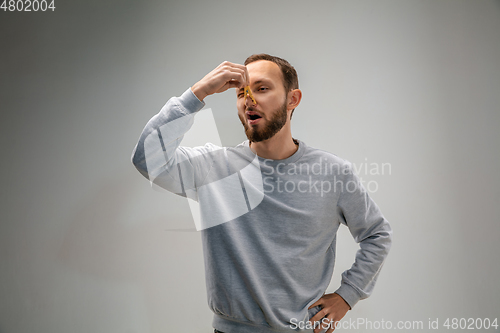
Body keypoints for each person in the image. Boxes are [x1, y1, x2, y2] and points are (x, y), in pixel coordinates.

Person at [131, 54, 392, 333]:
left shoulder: (334, 173)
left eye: (261, 88)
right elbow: (147, 158)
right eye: (241, 93)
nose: (248, 100)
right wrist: (199, 92)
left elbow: (377, 235)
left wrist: (347, 296)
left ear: (293, 99)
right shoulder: (214, 167)